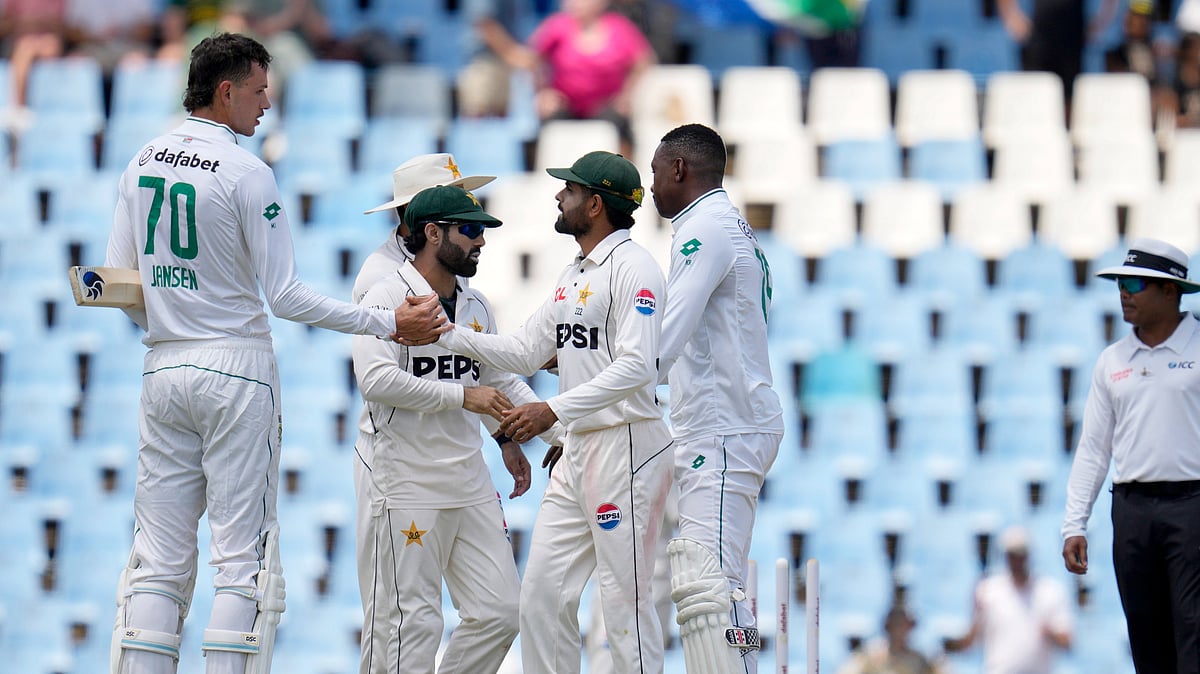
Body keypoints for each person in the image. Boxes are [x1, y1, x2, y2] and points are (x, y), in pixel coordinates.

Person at [102, 32, 446, 674]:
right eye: (260, 92)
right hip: (236, 368)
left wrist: (174, 322)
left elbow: (118, 281)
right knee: (242, 559)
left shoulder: (142, 159)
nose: (267, 106)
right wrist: (386, 323)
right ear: (226, 91)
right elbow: (285, 296)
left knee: (159, 556)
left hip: (163, 364)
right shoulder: (244, 171)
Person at [404, 150, 672, 674]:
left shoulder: (635, 267)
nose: (558, 196)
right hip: (580, 450)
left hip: (627, 447)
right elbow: (525, 350)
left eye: (569, 191)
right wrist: (448, 333)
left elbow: (640, 368)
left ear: (595, 204)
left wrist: (553, 409)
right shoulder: (575, 273)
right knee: (542, 599)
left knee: (625, 605)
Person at [352, 185, 567, 674]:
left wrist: (559, 436)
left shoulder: (476, 306)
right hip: (405, 480)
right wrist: (463, 397)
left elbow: (499, 379)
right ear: (432, 233)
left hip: (467, 480)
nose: (481, 242)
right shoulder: (385, 296)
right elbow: (376, 381)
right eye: (470, 231)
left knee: (499, 612)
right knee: (412, 624)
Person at [647, 122, 784, 672]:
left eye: (656, 172)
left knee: (713, 587)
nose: (651, 187)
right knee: (715, 586)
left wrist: (592, 384)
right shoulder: (731, 225)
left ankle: (743, 666)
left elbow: (663, 341)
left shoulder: (703, 228)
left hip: (724, 426)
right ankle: (745, 662)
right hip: (726, 422)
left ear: (680, 169)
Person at [1062, 236, 1200, 673]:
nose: (1124, 292)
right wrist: (1074, 523)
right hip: (1133, 508)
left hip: (1193, 505)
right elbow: (1094, 448)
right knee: (1144, 626)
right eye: (1121, 283)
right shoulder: (1112, 360)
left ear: (1169, 291)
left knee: (1194, 624)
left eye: (1137, 284)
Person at [489, 0, 655, 156]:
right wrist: (543, 92)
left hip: (606, 106)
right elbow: (532, 61)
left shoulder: (619, 27)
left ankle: (623, 176)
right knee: (548, 116)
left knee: (620, 121)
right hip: (566, 104)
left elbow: (644, 62)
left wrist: (626, 96)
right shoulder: (557, 26)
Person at [353, 152, 495, 305]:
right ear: (410, 207)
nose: (461, 202)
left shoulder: (452, 251)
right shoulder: (379, 276)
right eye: (448, 196)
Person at [945, 526, 1073, 674]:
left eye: (1020, 554)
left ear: (1028, 556)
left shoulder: (1050, 592)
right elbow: (973, 638)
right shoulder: (988, 590)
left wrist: (1050, 633)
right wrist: (951, 646)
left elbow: (1067, 641)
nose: (1016, 561)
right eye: (1012, 555)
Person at [997, 0, 1119, 105]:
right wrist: (1011, 16)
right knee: (1034, 94)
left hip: (1072, 36)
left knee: (1071, 97)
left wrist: (1102, 21)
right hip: (1039, 36)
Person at [837, 604, 942, 674]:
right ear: (887, 626)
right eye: (895, 624)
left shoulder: (921, 660)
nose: (899, 630)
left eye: (904, 625)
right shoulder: (869, 655)